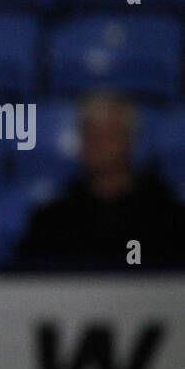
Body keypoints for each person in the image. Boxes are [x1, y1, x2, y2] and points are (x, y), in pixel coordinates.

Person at [15, 91, 185, 270]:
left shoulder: (166, 218)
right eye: (90, 134)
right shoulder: (53, 223)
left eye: (109, 135)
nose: (98, 144)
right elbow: (26, 283)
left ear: (129, 140)